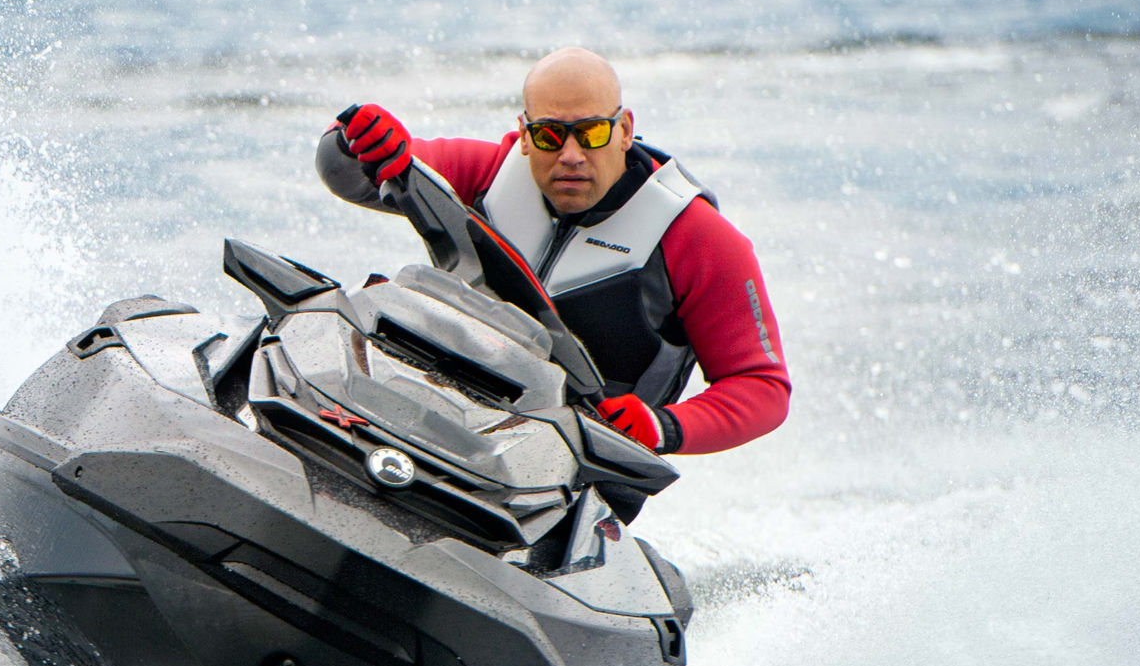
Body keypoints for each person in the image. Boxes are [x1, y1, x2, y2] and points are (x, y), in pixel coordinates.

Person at [316, 46, 789, 456]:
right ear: (525, 135)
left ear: (625, 130)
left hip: (577, 468)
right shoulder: (488, 173)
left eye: (592, 132)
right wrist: (353, 136)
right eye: (549, 134)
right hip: (445, 414)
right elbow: (357, 171)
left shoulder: (698, 238)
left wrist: (663, 426)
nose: (571, 154)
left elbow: (762, 386)